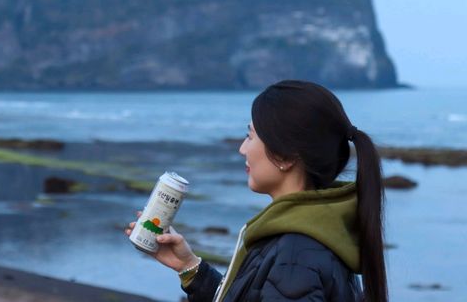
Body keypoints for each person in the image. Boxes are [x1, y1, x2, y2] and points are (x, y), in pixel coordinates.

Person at [125, 79, 388, 301]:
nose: (242, 148)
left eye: (250, 136)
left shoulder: (295, 255)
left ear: (285, 156)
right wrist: (189, 268)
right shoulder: (316, 236)